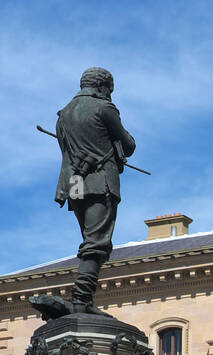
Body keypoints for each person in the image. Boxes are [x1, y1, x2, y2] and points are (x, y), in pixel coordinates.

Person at [54, 67, 137, 314]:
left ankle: (83, 298)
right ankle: (81, 300)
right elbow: (129, 145)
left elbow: (67, 150)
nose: (110, 94)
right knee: (97, 243)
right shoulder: (104, 108)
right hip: (100, 181)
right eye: (109, 90)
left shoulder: (64, 114)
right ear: (103, 87)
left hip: (75, 185)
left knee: (89, 240)